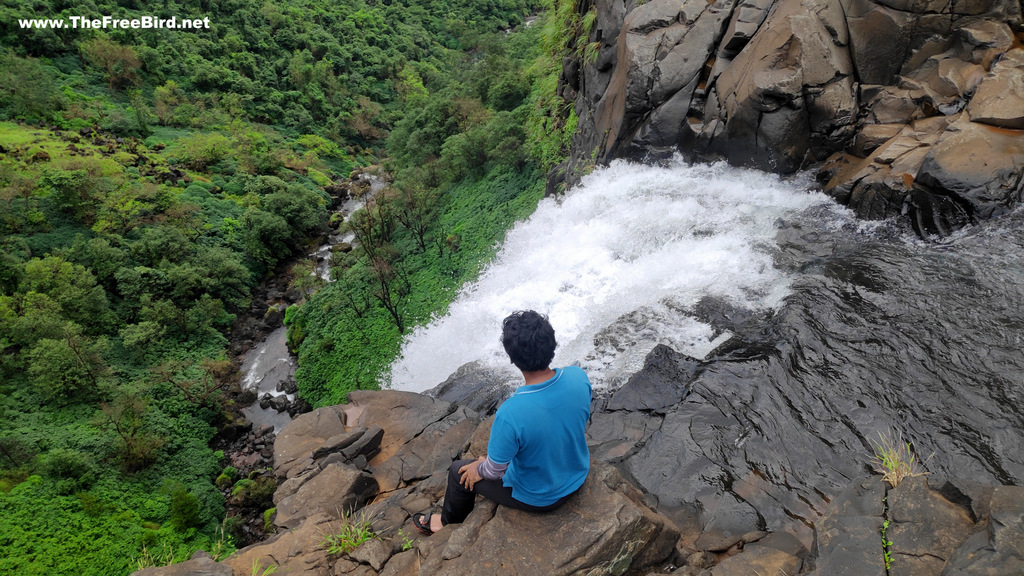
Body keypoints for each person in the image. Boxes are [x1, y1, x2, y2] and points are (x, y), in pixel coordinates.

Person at [413, 310, 592, 534]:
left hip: (541, 497)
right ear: (552, 343)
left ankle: (447, 524)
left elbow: (495, 471)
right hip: (577, 472)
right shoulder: (578, 376)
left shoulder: (511, 412)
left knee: (458, 471)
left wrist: (481, 467)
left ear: (512, 358)